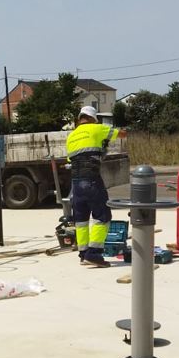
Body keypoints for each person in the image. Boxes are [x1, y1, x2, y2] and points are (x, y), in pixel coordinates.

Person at [66, 105, 120, 268]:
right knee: (102, 216)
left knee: (81, 220)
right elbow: (121, 134)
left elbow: (72, 160)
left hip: (76, 184)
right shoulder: (96, 128)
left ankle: (83, 254)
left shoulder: (71, 136)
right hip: (92, 180)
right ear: (91, 118)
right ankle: (94, 254)